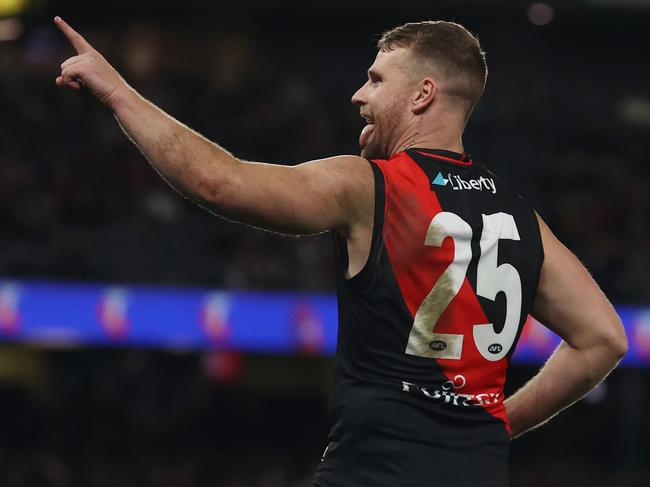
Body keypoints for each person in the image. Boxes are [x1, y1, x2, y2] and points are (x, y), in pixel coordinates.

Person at [54, 16, 627, 486]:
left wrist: (118, 92)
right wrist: (496, 423)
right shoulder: (520, 216)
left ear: (423, 94)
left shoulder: (369, 185)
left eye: (377, 80)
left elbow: (218, 183)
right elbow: (604, 337)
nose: (358, 94)